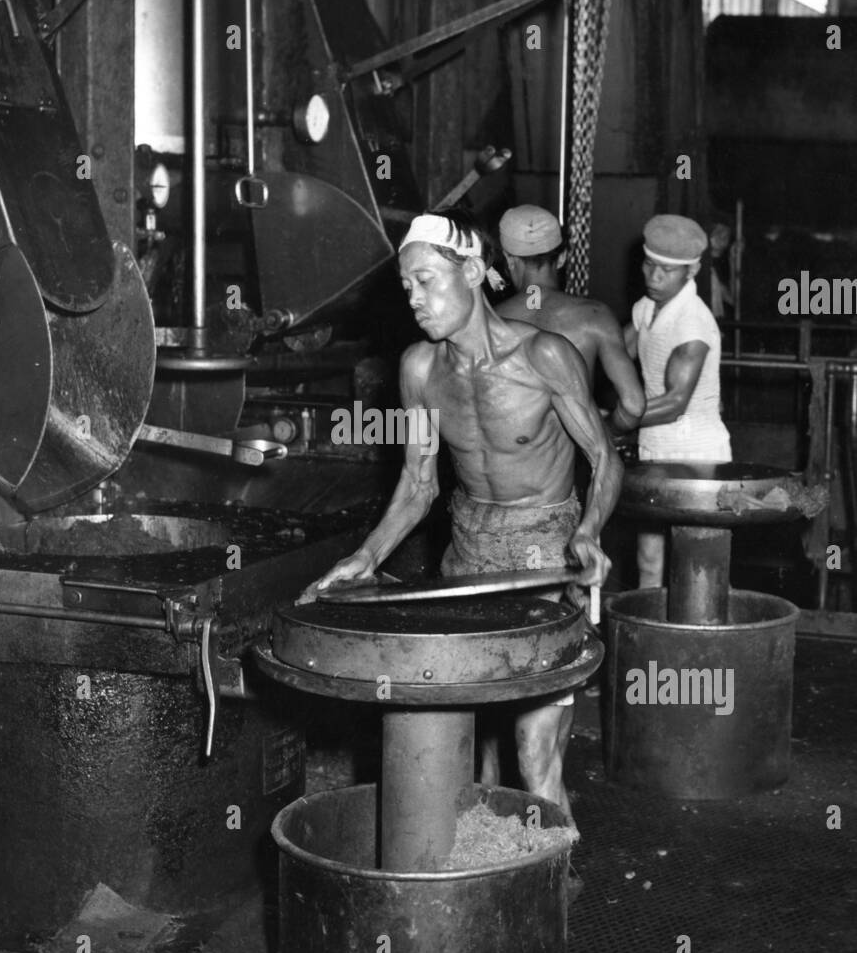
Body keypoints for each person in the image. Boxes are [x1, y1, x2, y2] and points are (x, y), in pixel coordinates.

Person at [301, 211, 622, 820]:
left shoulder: (544, 356)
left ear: (473, 271)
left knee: (534, 754)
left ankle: (555, 880)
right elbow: (420, 484)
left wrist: (588, 532)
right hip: (468, 553)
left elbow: (605, 459)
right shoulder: (420, 370)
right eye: (406, 287)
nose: (414, 299)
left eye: (425, 280)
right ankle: (481, 879)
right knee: (463, 746)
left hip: (545, 557)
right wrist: (367, 555)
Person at [624, 214, 732, 587]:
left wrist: (612, 422)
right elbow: (614, 356)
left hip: (698, 455)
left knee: (697, 569)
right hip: (655, 445)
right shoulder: (645, 308)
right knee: (649, 559)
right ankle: (647, 640)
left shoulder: (692, 322)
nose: (654, 277)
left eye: (666, 271)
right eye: (649, 264)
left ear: (692, 270)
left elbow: (674, 403)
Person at [494, 204, 645, 437]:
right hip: (574, 460)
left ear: (509, 260)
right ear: (563, 257)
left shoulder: (490, 320)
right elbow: (634, 405)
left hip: (510, 461)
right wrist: (601, 435)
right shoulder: (595, 317)